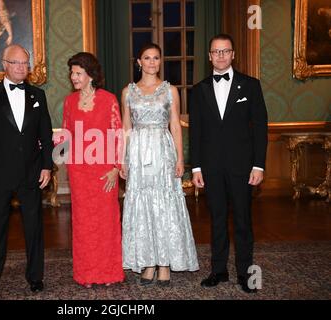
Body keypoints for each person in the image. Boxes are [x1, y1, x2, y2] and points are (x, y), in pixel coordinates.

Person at [189, 34, 268, 294]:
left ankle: (246, 274)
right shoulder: (198, 90)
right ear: (209, 56)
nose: (221, 56)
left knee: (243, 221)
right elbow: (196, 132)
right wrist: (196, 167)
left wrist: (259, 165)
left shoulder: (251, 85)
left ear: (233, 54)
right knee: (217, 220)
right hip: (211, 167)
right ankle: (218, 270)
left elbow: (260, 129)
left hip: (242, 167)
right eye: (216, 52)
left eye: (225, 51)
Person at [0, 44, 53, 299]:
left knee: (34, 229)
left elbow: (46, 135)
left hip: (32, 174)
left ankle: (35, 277)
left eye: (26, 63)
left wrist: (46, 166)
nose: (22, 68)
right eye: (17, 63)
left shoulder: (38, 95)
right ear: (4, 64)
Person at [120, 43, 199, 286]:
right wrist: (122, 158)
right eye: (147, 58)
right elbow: (126, 128)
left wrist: (180, 158)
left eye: (156, 58)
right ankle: (148, 262)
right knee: (142, 206)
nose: (152, 62)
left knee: (164, 204)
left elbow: (175, 125)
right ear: (139, 62)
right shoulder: (128, 92)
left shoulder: (170, 90)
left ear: (160, 61)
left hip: (162, 152)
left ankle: (164, 263)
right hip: (138, 152)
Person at [61, 52, 125, 288]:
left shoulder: (108, 100)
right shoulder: (69, 101)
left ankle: (108, 272)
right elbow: (66, 136)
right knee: (83, 224)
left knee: (106, 222)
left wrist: (116, 168)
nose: (73, 77)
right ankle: (86, 273)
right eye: (72, 73)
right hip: (79, 173)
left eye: (78, 73)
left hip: (104, 172)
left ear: (90, 75)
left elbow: (118, 135)